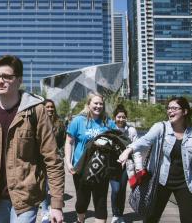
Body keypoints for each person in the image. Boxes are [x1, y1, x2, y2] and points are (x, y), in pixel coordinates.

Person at [0, 55, 65, 223]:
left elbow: (52, 158)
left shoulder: (36, 111)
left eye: (7, 76)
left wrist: (56, 205)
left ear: (19, 80)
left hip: (26, 197)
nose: (0, 81)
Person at [118, 97, 192, 223]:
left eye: (174, 108)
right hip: (161, 181)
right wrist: (128, 150)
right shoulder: (160, 128)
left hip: (185, 183)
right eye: (168, 108)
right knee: (151, 218)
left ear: (185, 111)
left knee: (188, 220)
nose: (170, 111)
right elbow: (144, 140)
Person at [64, 93, 117, 223]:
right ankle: (80, 219)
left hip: (101, 168)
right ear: (89, 104)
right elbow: (69, 142)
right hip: (81, 168)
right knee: (82, 201)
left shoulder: (107, 121)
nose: (98, 106)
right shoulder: (78, 121)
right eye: (95, 103)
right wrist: (68, 162)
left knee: (100, 201)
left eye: (101, 104)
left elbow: (117, 139)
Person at [109, 105, 139, 223]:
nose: (121, 119)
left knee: (121, 190)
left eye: (123, 117)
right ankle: (115, 213)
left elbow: (136, 147)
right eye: (119, 117)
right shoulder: (110, 129)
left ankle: (119, 214)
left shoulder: (131, 130)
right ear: (114, 117)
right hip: (112, 165)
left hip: (126, 165)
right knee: (115, 190)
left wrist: (138, 166)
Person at [40, 99, 67, 223]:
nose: (50, 109)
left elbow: (63, 141)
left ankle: (55, 209)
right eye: (47, 107)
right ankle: (45, 211)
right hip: (41, 160)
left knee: (55, 186)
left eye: (52, 107)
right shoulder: (38, 122)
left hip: (55, 160)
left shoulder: (60, 124)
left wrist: (60, 154)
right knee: (43, 187)